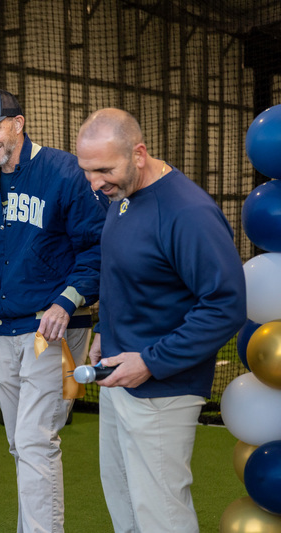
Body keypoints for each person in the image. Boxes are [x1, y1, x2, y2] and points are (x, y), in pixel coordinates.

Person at [76, 108, 247, 533]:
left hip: (162, 389)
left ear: (138, 153)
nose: (95, 182)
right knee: (124, 503)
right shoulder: (121, 196)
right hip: (119, 377)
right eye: (86, 171)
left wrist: (150, 361)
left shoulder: (187, 212)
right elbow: (132, 277)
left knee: (161, 515)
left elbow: (225, 304)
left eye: (103, 169)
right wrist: (104, 333)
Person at [0, 88, 107, 532]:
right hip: (2, 335)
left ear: (18, 124)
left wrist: (68, 299)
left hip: (53, 329)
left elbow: (98, 246)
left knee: (34, 440)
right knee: (19, 443)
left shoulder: (64, 173)